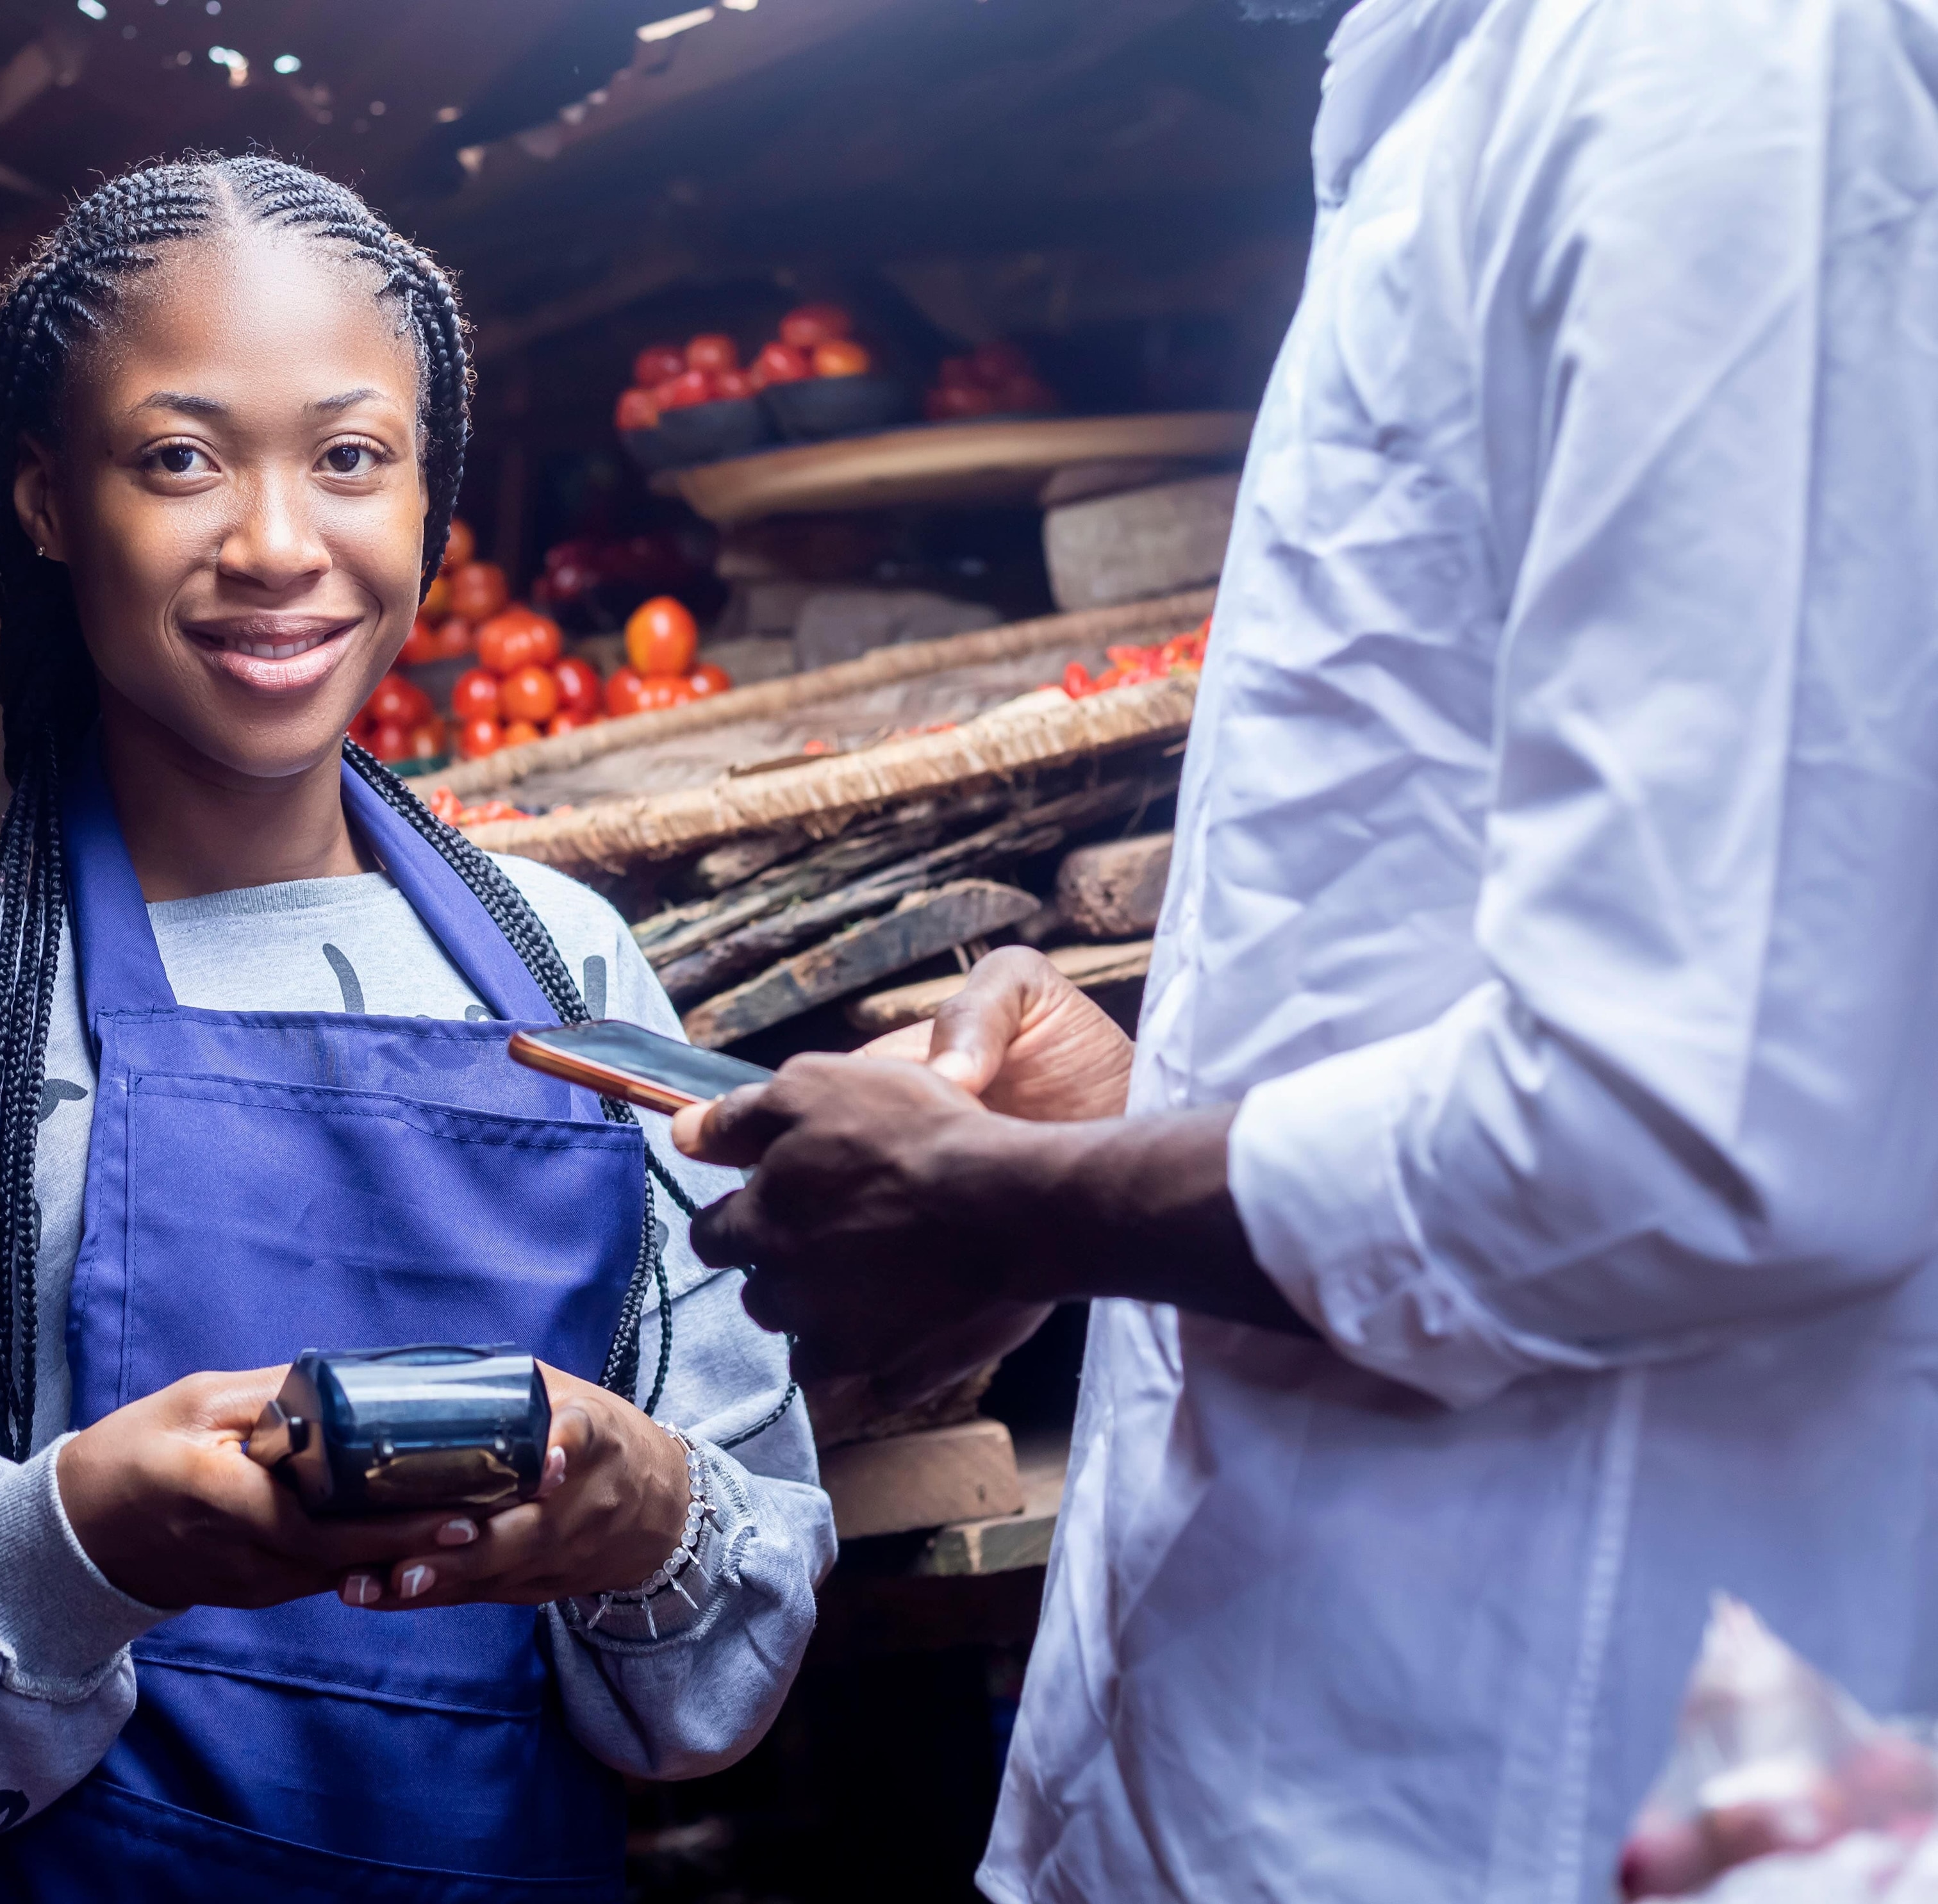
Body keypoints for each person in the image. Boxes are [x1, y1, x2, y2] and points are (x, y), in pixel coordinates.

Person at [672, 2, 1938, 1898]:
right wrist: (1125, 1116)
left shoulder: (1712, 53)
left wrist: (1023, 1205)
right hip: (1296, 1752)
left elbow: (1706, 1117)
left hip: (1546, 1789)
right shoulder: (1467, 88)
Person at [0, 154, 832, 1901]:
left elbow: (723, 1658)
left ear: (427, 499)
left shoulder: (575, 976)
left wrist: (652, 1517)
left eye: (350, 457)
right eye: (180, 456)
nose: (274, 543)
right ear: (42, 497)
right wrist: (74, 1542)